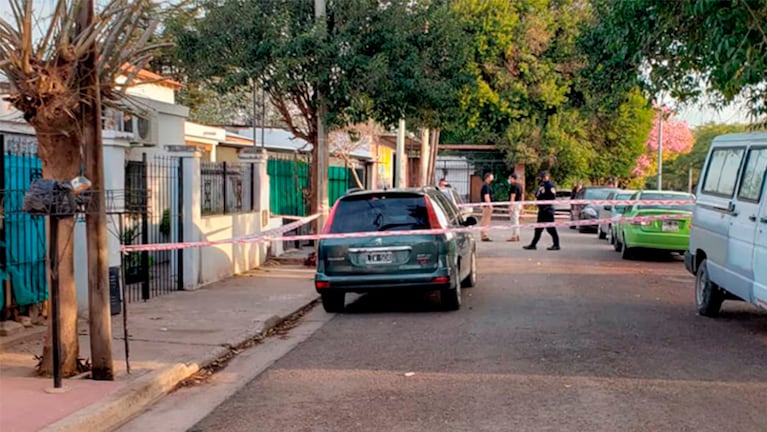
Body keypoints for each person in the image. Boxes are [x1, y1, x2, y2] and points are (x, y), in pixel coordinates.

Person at [523, 171, 560, 251]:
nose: (542, 178)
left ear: (547, 177)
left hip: (547, 210)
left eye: (543, 177)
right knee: (538, 229)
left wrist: (545, 202)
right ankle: (533, 245)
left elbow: (553, 196)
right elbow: (537, 194)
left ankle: (556, 245)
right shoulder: (541, 186)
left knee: (551, 228)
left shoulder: (550, 186)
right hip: (542, 210)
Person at [507, 173, 522, 242]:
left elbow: (512, 197)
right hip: (519, 204)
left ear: (513, 179)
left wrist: (510, 206)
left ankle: (514, 236)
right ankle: (517, 235)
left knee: (514, 221)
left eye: (510, 178)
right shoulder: (520, 185)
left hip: (514, 204)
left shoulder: (513, 186)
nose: (509, 180)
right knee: (517, 220)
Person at [480, 172, 494, 241]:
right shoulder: (486, 186)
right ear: (488, 177)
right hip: (486, 206)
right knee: (486, 220)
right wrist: (490, 205)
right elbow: (486, 196)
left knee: (486, 220)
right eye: (491, 177)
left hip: (486, 205)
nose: (492, 178)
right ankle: (484, 235)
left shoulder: (486, 185)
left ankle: (484, 234)